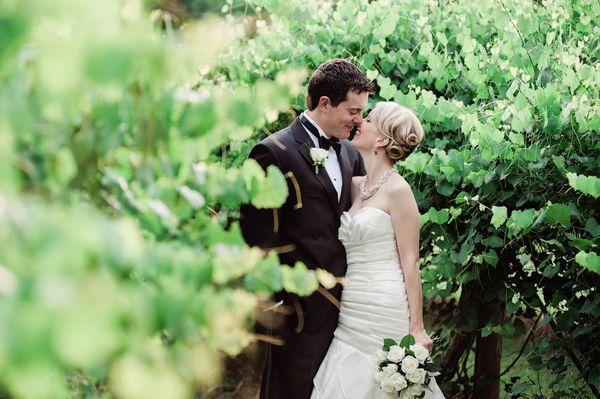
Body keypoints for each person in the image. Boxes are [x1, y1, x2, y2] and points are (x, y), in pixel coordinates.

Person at [239, 59, 375, 399]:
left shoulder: (349, 154)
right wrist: (277, 305)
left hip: (348, 313)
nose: (360, 121)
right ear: (324, 103)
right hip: (297, 312)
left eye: (363, 113)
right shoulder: (272, 152)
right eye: (353, 111)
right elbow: (258, 238)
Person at [310, 102, 445, 398]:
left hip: (385, 304)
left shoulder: (399, 190)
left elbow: (411, 261)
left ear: (382, 139)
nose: (360, 121)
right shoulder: (355, 186)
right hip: (351, 308)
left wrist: (417, 327)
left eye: (368, 119)